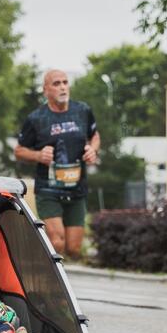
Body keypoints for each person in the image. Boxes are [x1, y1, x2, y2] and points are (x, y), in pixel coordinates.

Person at [14, 69, 100, 260]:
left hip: (77, 188)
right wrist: (38, 155)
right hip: (49, 190)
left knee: (74, 248)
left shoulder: (82, 111)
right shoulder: (36, 119)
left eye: (65, 82)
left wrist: (93, 149)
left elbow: (95, 136)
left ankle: (41, 259)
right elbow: (19, 151)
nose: (62, 87)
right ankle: (48, 275)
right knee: (57, 242)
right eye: (56, 83)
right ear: (46, 90)